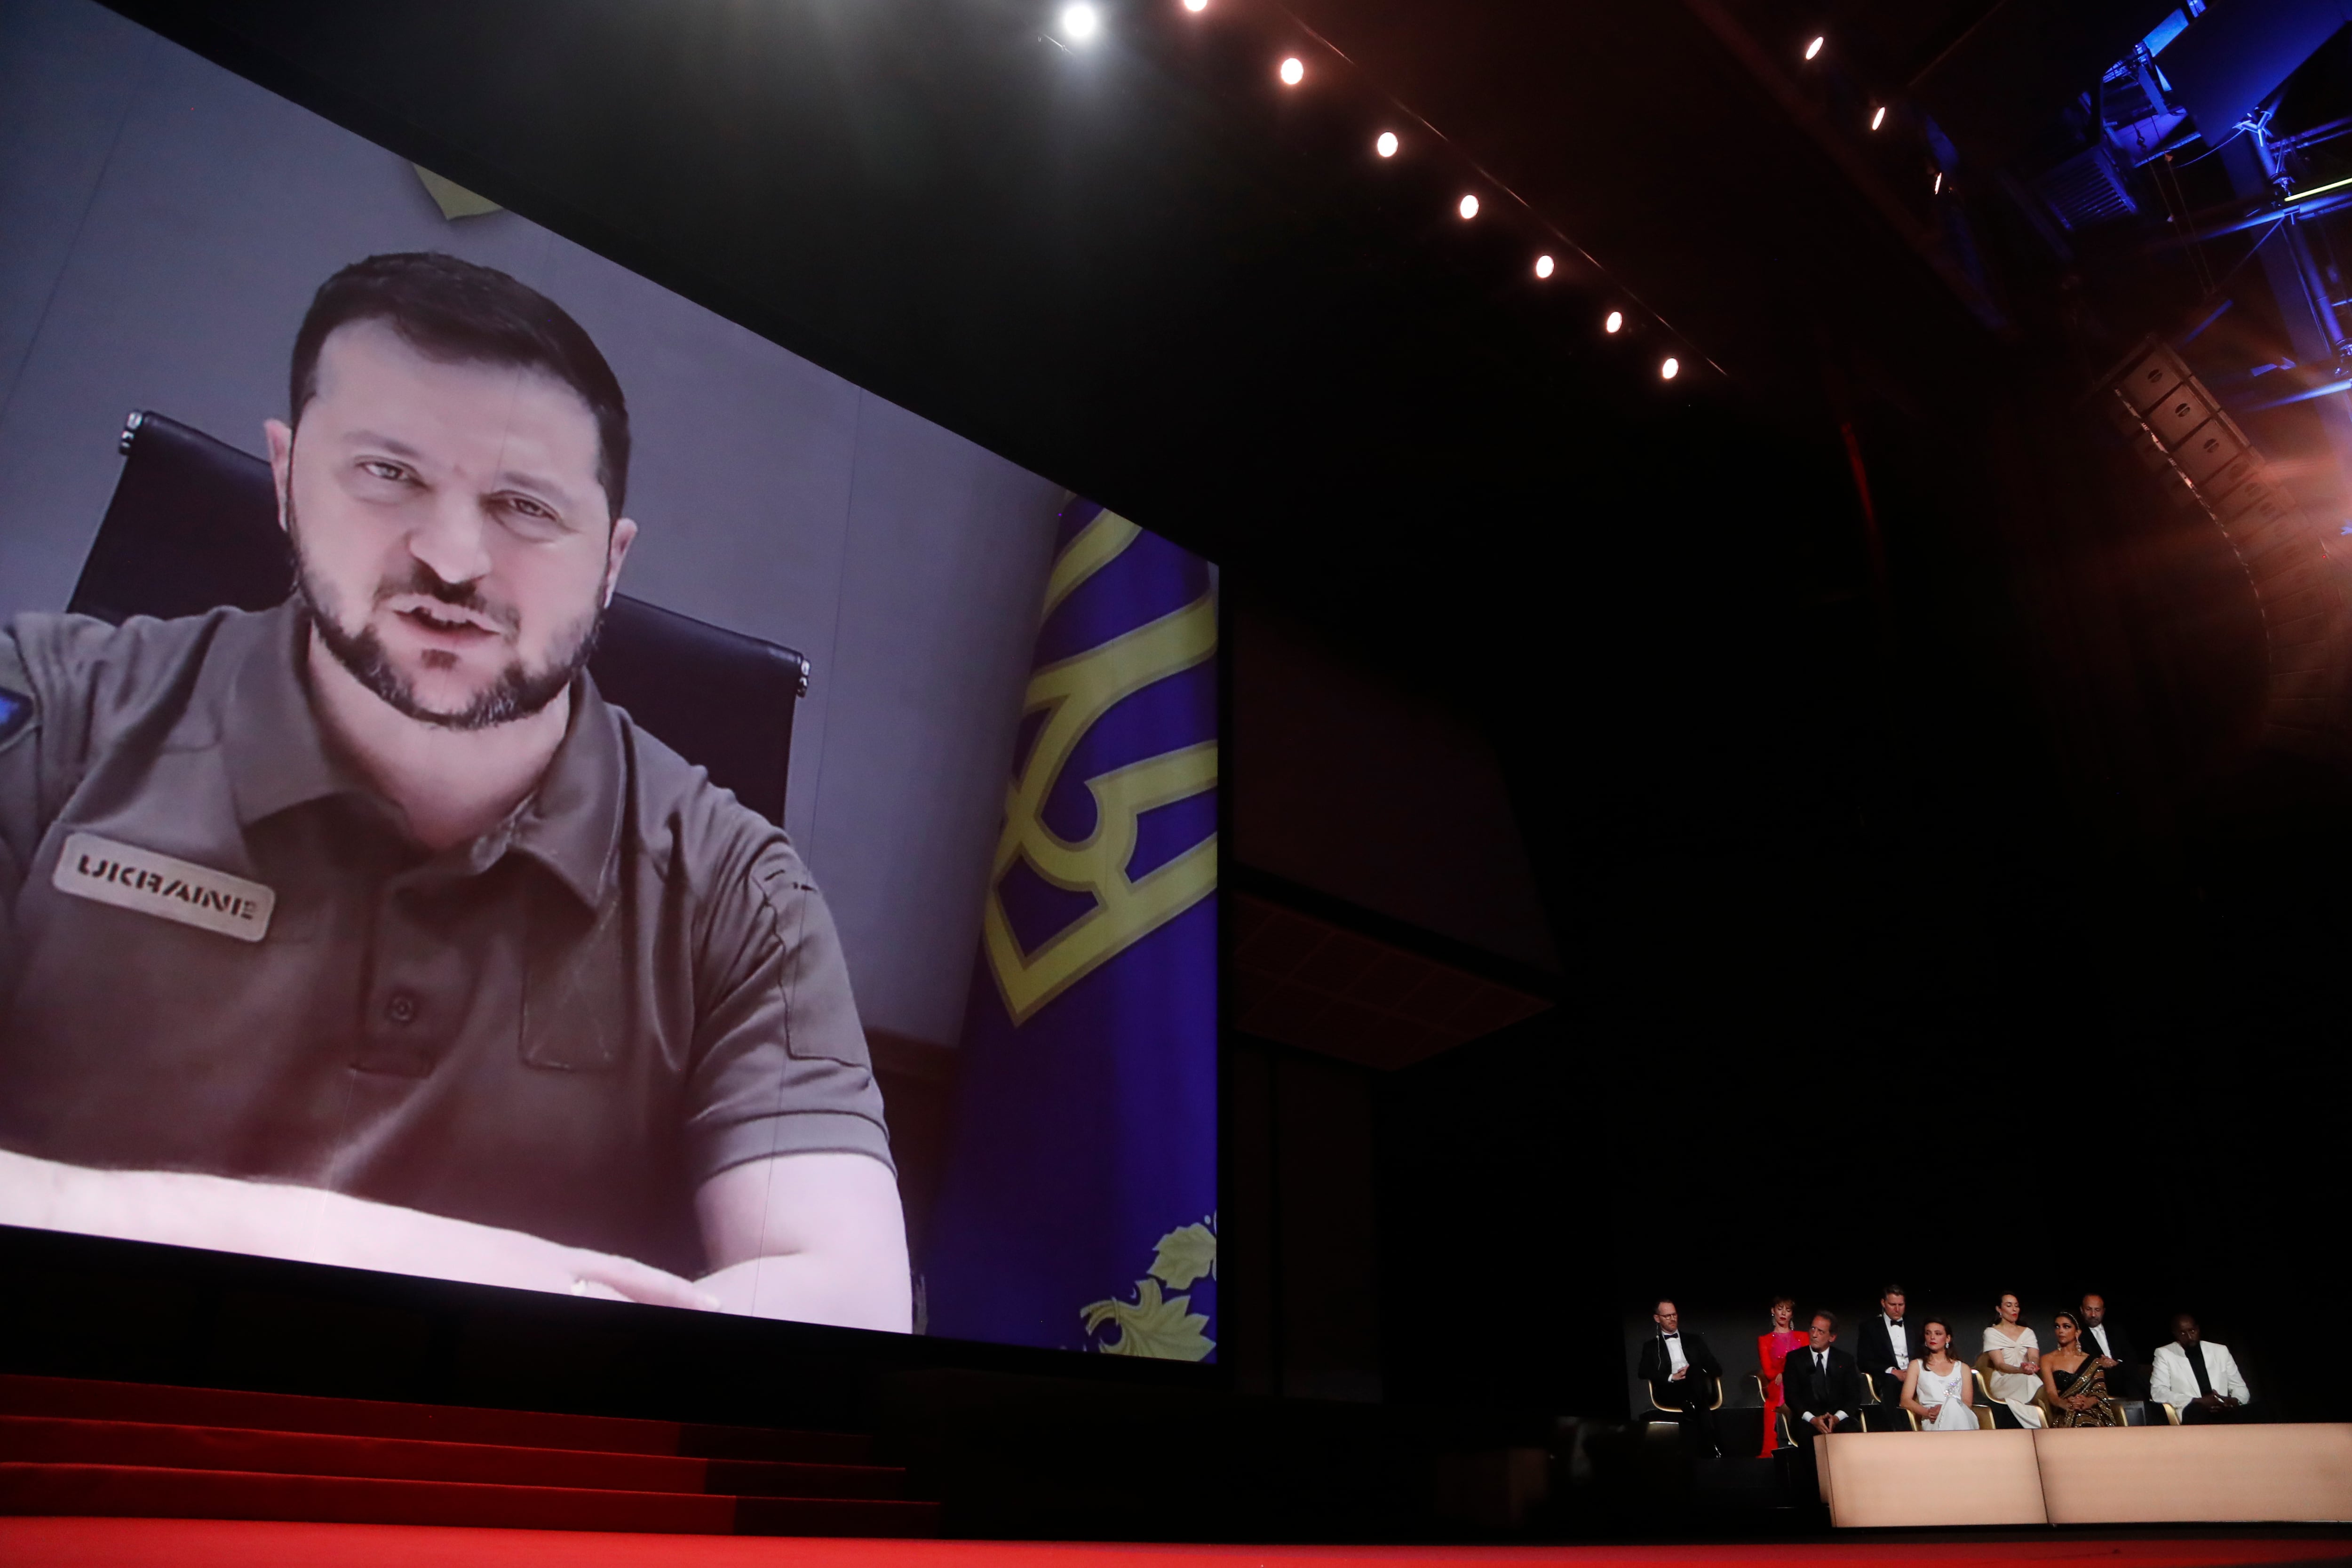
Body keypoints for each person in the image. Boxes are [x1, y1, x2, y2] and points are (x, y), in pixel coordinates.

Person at [0, 253, 909, 1330]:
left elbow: (850, 1309)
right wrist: (406, 1258)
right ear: (286, 478)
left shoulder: (737, 893)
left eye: (524, 507)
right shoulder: (50, 714)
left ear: (612, 562)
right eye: (388, 474)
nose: (452, 558)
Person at [1637, 1299, 1723, 1456]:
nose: (1673, 1319)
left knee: (1695, 1372)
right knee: (1701, 1402)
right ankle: (1710, 1444)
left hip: (1695, 1384)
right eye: (1668, 1316)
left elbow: (1717, 1368)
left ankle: (1691, 1407)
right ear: (1657, 1318)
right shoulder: (1651, 1346)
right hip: (1672, 1389)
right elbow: (1643, 1372)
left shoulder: (1694, 1340)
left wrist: (1693, 1370)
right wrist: (1672, 1376)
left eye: (1674, 1314)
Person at [1780, 1311, 1864, 1466]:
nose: (1814, 1335)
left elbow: (1854, 1397)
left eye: (1821, 1331)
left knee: (1851, 1431)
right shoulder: (1795, 1359)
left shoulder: (1845, 1360)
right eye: (1813, 1329)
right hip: (1808, 1421)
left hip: (1838, 1420)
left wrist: (1837, 1418)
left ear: (1832, 1337)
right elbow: (1792, 1396)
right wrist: (1813, 1419)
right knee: (1808, 1438)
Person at [2149, 1314, 2253, 1424]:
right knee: (2197, 1411)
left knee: (2260, 1409)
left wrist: (2234, 1401)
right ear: (2175, 1334)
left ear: (2198, 1329)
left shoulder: (2220, 1351)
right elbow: (2158, 1392)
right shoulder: (2165, 1354)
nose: (2189, 1337)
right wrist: (2197, 1401)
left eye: (2192, 1331)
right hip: (2194, 1413)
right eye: (2183, 1333)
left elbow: (2240, 1387)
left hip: (2223, 1411)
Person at [2041, 1310, 2122, 1428]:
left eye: (2066, 1327)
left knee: (2086, 1421)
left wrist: (2087, 1402)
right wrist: (2065, 1404)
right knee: (2074, 1419)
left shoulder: (2093, 1362)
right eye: (2057, 1327)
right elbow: (2051, 1394)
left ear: (2077, 1332)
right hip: (2064, 1413)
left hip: (2091, 1413)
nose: (2061, 1331)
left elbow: (2100, 1393)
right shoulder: (2047, 1359)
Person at [1899, 1318, 1979, 1432]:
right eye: (1928, 1333)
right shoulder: (1916, 1366)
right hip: (1933, 1420)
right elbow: (1905, 1401)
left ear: (1948, 1338)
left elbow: (1967, 1403)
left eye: (1938, 1334)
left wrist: (1945, 1409)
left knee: (1952, 1403)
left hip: (1961, 1416)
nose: (1932, 1337)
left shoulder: (1963, 1368)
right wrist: (1928, 1412)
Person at [1855, 1282, 1925, 1409]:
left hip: (1915, 1374)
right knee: (1890, 1382)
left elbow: (1924, 1353)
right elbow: (1864, 1362)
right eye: (1893, 1305)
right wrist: (1893, 1371)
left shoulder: (1915, 1325)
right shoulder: (1870, 1327)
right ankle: (1896, 1428)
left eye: (1901, 1305)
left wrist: (1912, 1372)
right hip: (1887, 1377)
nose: (1897, 1309)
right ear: (1883, 1303)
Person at [1980, 1292, 2045, 1428]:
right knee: (2030, 1380)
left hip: (2027, 1375)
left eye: (2016, 1306)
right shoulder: (1992, 1333)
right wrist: (2020, 1370)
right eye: (2009, 1306)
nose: (2014, 1309)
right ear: (1999, 1309)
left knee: (2032, 1379)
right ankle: (2046, 1422)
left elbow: (2034, 1357)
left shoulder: (2028, 1332)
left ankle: (2046, 1419)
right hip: (2004, 1379)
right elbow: (2000, 1365)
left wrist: (2032, 1365)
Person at [1755, 1295, 1807, 1455]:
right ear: (1773, 1311)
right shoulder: (1764, 1340)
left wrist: (1787, 1373)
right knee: (1784, 1385)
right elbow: (1769, 1372)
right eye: (1780, 1309)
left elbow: (1807, 1365)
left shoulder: (1803, 1337)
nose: (1784, 1313)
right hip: (1777, 1385)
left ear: (1792, 1314)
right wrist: (1784, 1375)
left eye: (1788, 1310)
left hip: (1800, 1381)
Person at [2079, 1293, 2145, 1400]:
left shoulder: (2116, 1331)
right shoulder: (2078, 1335)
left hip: (2124, 1379)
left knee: (2136, 1379)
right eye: (2089, 1309)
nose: (2093, 1315)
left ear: (2103, 1311)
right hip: (2099, 1382)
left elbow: (2131, 1357)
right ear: (2082, 1310)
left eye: (2097, 1310)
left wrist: (2116, 1363)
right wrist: (2098, 1363)